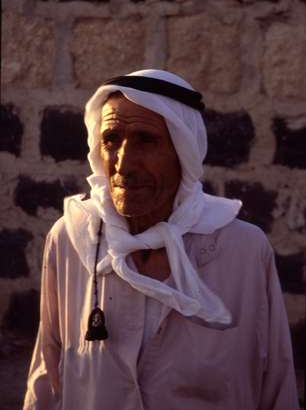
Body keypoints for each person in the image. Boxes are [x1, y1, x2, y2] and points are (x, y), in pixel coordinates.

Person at [23, 69, 299, 410]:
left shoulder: (243, 250)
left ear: (183, 154)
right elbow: (47, 374)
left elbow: (276, 383)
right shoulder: (72, 238)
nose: (123, 163)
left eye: (146, 140)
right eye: (111, 139)